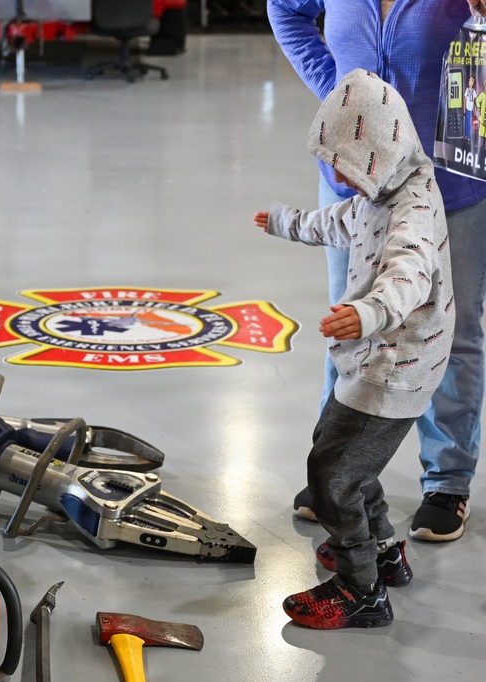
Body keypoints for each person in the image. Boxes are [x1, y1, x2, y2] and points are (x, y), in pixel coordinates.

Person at [267, 0, 486, 542]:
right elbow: (285, 7)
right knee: (349, 325)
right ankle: (339, 472)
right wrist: (339, 95)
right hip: (353, 181)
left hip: (451, 181)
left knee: (452, 330)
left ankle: (447, 481)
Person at [254, 69, 454, 629]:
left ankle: (360, 588)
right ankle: (382, 551)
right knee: (344, 455)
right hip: (375, 358)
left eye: (346, 163)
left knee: (332, 476)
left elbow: (409, 274)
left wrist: (367, 313)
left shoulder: (413, 210)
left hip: (394, 365)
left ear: (379, 149)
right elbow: (342, 222)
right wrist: (287, 222)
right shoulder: (381, 189)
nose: (339, 176)